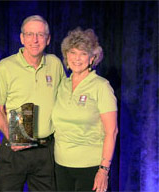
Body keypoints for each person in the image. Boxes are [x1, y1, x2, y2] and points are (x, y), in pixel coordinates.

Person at [0, 15, 65, 191]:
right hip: (14, 149)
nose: (35, 40)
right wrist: (11, 136)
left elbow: (64, 102)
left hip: (45, 150)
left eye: (40, 34)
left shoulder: (55, 64)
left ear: (48, 39)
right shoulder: (6, 66)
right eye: (30, 34)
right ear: (22, 38)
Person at [52, 27, 118, 192]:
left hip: (91, 166)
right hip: (61, 165)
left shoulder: (101, 86)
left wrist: (104, 170)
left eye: (83, 53)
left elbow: (112, 131)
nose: (77, 58)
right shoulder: (62, 85)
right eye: (73, 53)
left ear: (92, 58)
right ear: (66, 56)